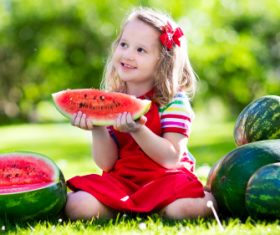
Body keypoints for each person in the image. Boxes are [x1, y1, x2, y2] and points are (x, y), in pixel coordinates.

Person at [65, 7, 217, 220]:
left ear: (163, 62)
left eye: (140, 50)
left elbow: (171, 157)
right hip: (123, 181)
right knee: (77, 205)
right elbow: (107, 163)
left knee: (178, 211)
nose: (127, 54)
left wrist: (138, 130)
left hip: (167, 179)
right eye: (124, 44)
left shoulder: (173, 101)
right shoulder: (113, 99)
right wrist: (97, 127)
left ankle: (209, 200)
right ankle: (131, 207)